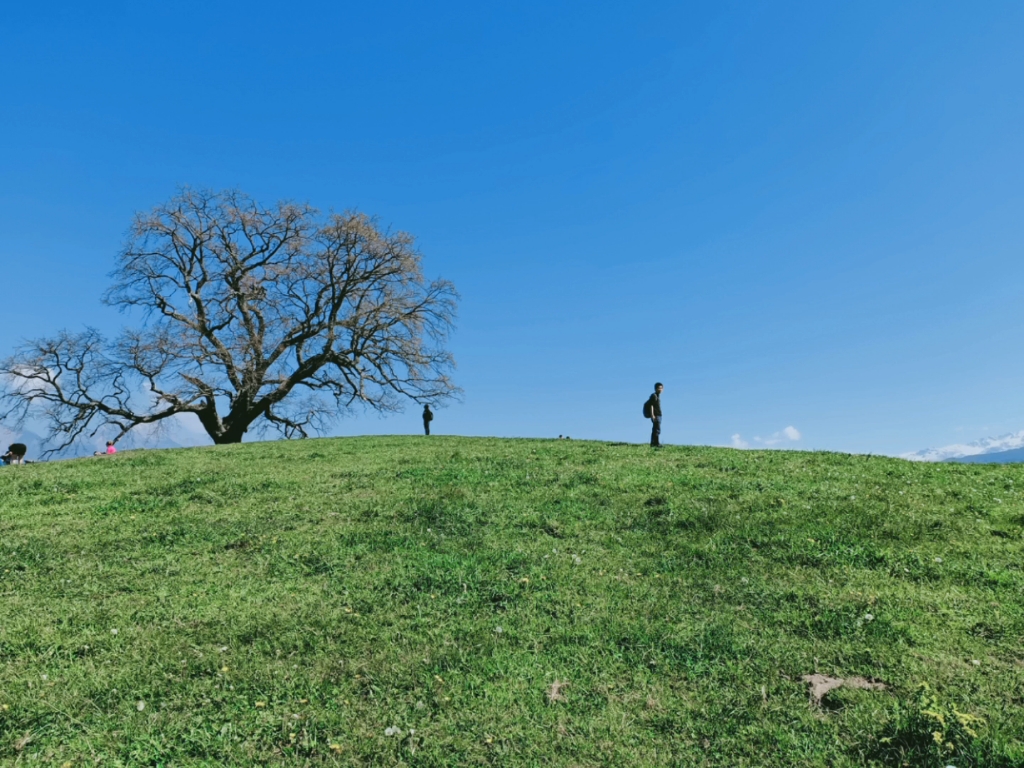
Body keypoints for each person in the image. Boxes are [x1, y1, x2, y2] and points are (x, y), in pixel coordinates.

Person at [645, 382, 664, 447]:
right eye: (659, 388)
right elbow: (651, 405)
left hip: (658, 415)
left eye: (661, 388)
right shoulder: (654, 396)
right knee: (657, 429)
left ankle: (654, 443)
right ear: (655, 389)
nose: (660, 390)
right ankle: (656, 443)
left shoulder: (657, 396)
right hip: (656, 415)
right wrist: (652, 415)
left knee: (656, 429)